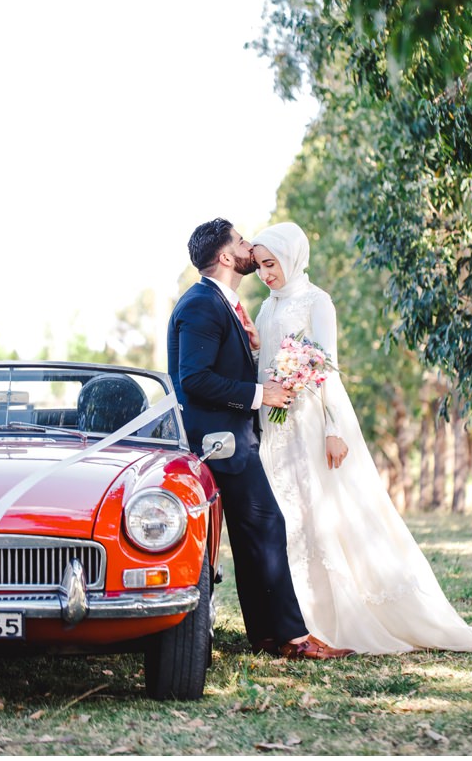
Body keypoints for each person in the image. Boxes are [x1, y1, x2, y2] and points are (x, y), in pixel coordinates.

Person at [247, 222, 472, 655]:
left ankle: (334, 621)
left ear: (291, 257)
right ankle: (298, 621)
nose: (265, 274)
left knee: (323, 512)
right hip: (277, 428)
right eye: (259, 267)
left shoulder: (317, 301)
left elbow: (326, 365)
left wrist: (333, 429)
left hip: (312, 420)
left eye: (270, 264)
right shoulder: (265, 310)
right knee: (290, 518)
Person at [165, 218, 351, 661]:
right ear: (227, 257)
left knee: (253, 534)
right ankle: (291, 637)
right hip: (220, 440)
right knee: (267, 526)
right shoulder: (202, 305)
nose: (250, 248)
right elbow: (193, 379)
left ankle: (266, 636)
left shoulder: (221, 303)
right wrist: (259, 393)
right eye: (243, 242)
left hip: (234, 435)